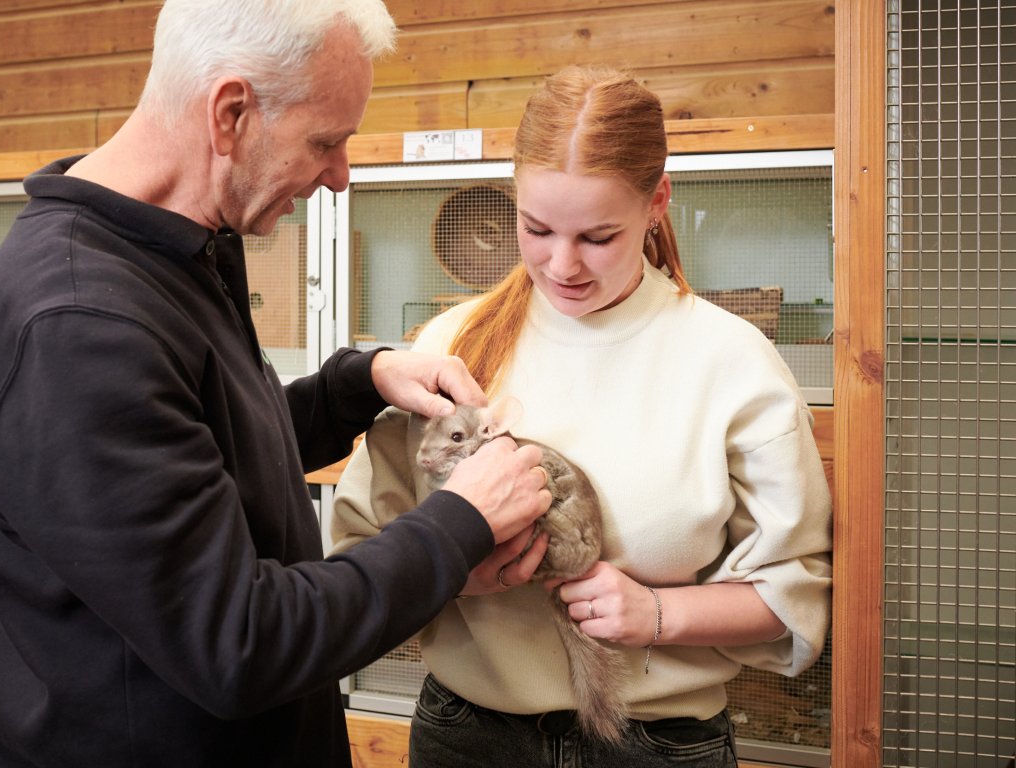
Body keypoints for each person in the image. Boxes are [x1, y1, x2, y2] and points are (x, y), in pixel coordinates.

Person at [0, 2, 553, 766]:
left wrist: (358, 383)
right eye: (326, 141)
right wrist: (457, 524)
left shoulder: (179, 246)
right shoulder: (79, 322)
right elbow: (237, 641)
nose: (339, 177)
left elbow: (203, 451)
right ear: (231, 113)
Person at [332, 65, 833, 767]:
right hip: (466, 733)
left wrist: (658, 615)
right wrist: (451, 570)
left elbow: (792, 593)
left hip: (656, 742)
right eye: (536, 229)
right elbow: (359, 551)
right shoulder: (452, 350)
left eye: (598, 237)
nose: (562, 264)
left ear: (656, 201)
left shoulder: (732, 362)